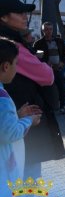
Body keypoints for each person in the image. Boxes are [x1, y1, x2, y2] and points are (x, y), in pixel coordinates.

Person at [0, 0, 65, 178]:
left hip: (16, 116)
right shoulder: (11, 46)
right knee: (30, 180)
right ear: (3, 17)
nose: (25, 16)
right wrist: (24, 119)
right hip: (23, 120)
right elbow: (47, 75)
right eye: (19, 12)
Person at [0, 37, 42, 183]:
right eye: (16, 64)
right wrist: (28, 120)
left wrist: (17, 116)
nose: (16, 69)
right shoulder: (2, 98)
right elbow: (10, 133)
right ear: (6, 66)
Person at [33, 22, 65, 114]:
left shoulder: (59, 41)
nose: (48, 31)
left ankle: (63, 106)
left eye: (50, 29)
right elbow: (35, 57)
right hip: (46, 70)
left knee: (61, 87)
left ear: (52, 30)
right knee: (46, 89)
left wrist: (62, 62)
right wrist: (45, 62)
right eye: (46, 29)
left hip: (58, 69)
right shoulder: (38, 43)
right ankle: (47, 107)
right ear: (43, 30)